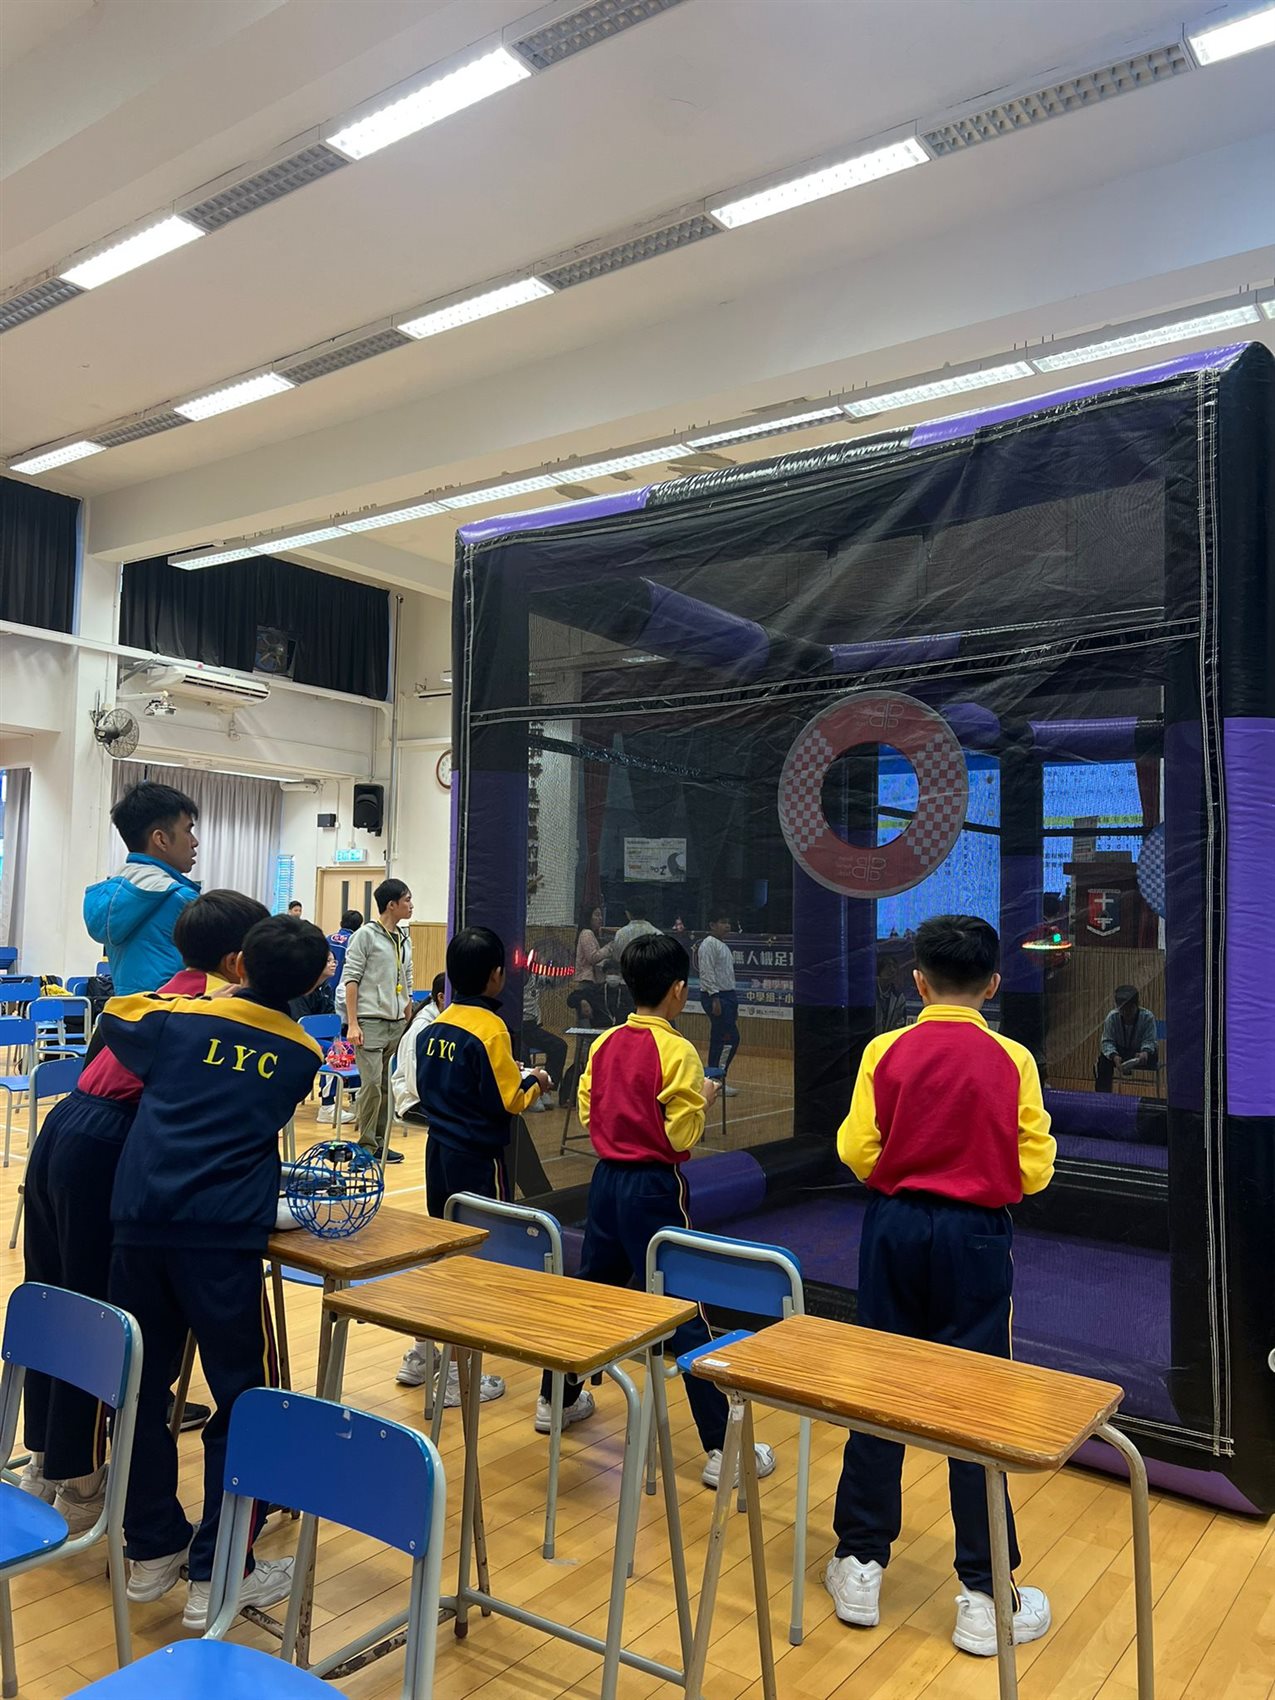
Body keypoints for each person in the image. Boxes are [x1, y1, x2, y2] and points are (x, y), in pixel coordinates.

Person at [826, 914, 1056, 1658]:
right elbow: (1033, 1169)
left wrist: (906, 1179)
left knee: (879, 1383)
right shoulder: (1013, 1058)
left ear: (917, 982)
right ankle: (985, 1596)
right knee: (975, 1401)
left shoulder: (884, 1049)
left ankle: (860, 1564)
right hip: (976, 1237)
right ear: (993, 985)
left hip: (893, 1229)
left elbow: (856, 1148)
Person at [103, 914, 328, 1628]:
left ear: (238, 965)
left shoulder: (177, 1019)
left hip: (142, 1217)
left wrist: (207, 1000)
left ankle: (151, 1546)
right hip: (223, 1235)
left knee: (138, 1385)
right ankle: (220, 1570)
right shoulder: (300, 1053)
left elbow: (114, 1012)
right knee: (241, 1397)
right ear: (312, 982)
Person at [18, 890, 268, 1527]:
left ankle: (47, 1458)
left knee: (53, 1298)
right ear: (239, 962)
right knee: (92, 1313)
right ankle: (79, 1482)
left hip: (63, 1127)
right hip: (107, 1144)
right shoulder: (221, 1010)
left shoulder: (161, 992)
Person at [537, 933, 777, 1490]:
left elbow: (589, 1110)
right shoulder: (679, 1052)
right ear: (679, 990)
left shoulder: (604, 1043)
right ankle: (722, 1448)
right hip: (653, 1187)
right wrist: (704, 1101)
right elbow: (679, 1134)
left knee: (593, 1292)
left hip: (605, 1184)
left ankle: (556, 1400)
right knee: (685, 1307)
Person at [396, 927, 550, 1402]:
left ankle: (423, 1352)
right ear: (496, 975)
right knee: (475, 1261)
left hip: (438, 1154)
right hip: (478, 1160)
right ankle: (457, 1377)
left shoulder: (433, 1026)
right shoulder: (491, 1029)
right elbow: (510, 1099)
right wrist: (537, 1080)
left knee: (442, 1251)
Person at [83, 781, 201, 994]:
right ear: (161, 839)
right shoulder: (181, 900)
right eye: (188, 831)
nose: (194, 842)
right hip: (175, 1010)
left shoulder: (114, 896)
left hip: (126, 1010)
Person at [340, 878, 414, 1164]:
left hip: (396, 1022)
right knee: (370, 1085)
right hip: (369, 1021)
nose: (411, 905)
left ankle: (380, 1143)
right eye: (407, 900)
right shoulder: (365, 935)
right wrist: (352, 1023)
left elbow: (407, 977)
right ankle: (366, 1146)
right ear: (391, 905)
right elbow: (351, 979)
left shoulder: (404, 938)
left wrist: (408, 1010)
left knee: (385, 1086)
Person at [697, 909, 741, 1096]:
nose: (727, 926)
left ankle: (712, 1080)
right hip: (718, 996)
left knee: (720, 1038)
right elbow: (706, 971)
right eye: (723, 922)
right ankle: (716, 1080)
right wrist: (714, 997)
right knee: (729, 1038)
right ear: (712, 925)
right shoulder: (708, 944)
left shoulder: (722, 945)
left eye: (728, 922)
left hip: (727, 995)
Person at [392, 972, 446, 1122]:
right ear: (441, 997)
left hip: (432, 1098)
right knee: (455, 1122)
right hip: (412, 1102)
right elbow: (413, 1079)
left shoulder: (442, 1024)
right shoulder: (421, 1028)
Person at [1096, 984, 1158, 1091]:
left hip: (1140, 1052)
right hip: (1120, 1052)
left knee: (1152, 1054)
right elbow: (1107, 1041)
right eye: (1123, 1009)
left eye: (1130, 1009)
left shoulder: (1147, 1017)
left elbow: (1149, 1040)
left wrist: (1145, 1052)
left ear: (1137, 1005)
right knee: (1103, 1060)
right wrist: (1114, 1056)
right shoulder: (1112, 1017)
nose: (1126, 1013)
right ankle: (1103, 1097)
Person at [521, 967, 567, 1110]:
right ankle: (530, 1093)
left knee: (559, 1046)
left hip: (532, 1027)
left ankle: (546, 1088)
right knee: (522, 1053)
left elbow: (554, 982)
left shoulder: (536, 978)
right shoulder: (510, 981)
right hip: (514, 1027)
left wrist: (556, 969)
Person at [326, 908, 363, 987]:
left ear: (341, 923)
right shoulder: (354, 942)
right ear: (359, 927)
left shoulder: (328, 939)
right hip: (343, 987)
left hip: (324, 986)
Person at [874, 954, 909, 1034]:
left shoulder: (898, 997)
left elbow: (900, 1023)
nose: (892, 970)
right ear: (880, 968)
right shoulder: (869, 992)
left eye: (894, 967)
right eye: (889, 966)